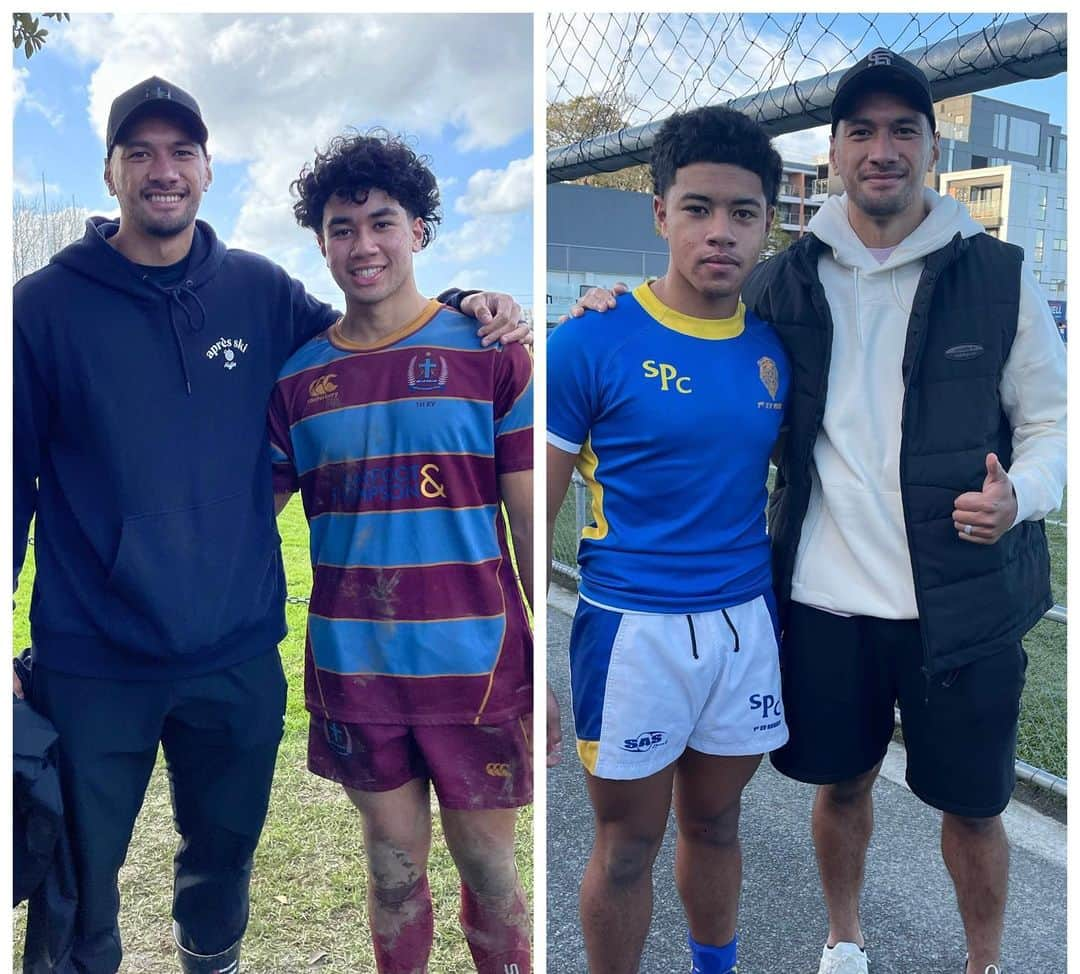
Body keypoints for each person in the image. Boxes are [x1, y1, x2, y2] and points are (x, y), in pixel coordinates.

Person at [13, 76, 528, 974]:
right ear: (109, 172)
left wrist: (478, 300)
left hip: (236, 652)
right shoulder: (40, 308)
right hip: (91, 657)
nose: (162, 170)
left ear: (210, 169)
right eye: (140, 153)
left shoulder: (259, 291)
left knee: (223, 863)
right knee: (81, 880)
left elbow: (377, 331)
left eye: (181, 152)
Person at [569, 48, 1066, 974]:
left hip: (962, 604)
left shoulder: (997, 276)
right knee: (842, 785)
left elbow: (1054, 426)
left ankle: (985, 961)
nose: (883, 149)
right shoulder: (783, 280)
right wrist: (603, 307)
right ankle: (844, 940)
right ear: (834, 150)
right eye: (862, 131)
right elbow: (693, 320)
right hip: (822, 603)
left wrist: (1022, 495)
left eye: (904, 131)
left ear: (929, 150)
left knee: (976, 808)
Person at [268, 131, 534, 974]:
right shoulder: (294, 383)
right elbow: (238, 518)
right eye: (342, 228)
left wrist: (552, 669)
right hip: (358, 667)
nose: (363, 245)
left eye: (382, 222)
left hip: (477, 665)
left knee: (492, 875)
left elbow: (531, 525)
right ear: (320, 244)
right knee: (389, 876)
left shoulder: (493, 353)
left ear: (419, 229)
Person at [547, 106, 790, 974]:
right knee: (625, 844)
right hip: (631, 633)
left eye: (742, 213)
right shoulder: (588, 340)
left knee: (719, 822)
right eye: (697, 209)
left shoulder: (774, 349)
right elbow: (536, 510)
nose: (720, 232)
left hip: (743, 624)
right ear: (659, 214)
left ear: (769, 221)